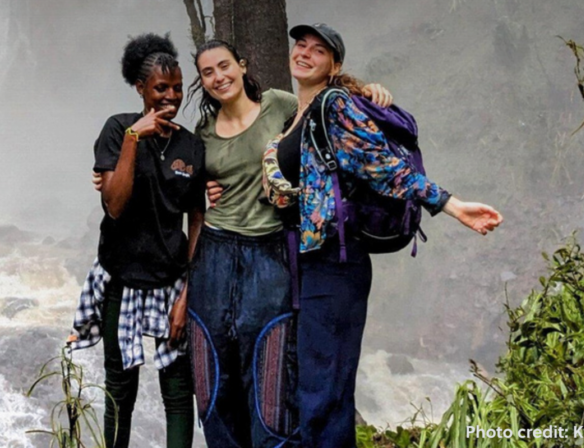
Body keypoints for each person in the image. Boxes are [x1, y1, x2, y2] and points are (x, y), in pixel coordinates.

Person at [93, 39, 392, 448]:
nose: (218, 77)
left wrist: (366, 90)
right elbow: (161, 198)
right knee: (208, 375)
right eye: (207, 73)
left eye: (224, 66)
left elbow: (323, 103)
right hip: (207, 256)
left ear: (242, 65)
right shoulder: (198, 132)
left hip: (266, 253)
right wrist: (124, 153)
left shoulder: (278, 105)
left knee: (264, 372)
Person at [262, 23, 503, 447]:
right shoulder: (292, 118)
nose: (304, 53)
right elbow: (287, 193)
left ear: (334, 65)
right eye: (300, 45)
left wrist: (449, 204)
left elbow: (382, 166)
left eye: (318, 50)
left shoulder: (333, 105)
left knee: (325, 391)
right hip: (306, 262)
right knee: (314, 386)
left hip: (336, 265)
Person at [70, 33, 203, 448]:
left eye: (178, 88)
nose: (171, 96)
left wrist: (187, 292)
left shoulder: (191, 145)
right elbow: (114, 204)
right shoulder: (116, 129)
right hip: (121, 279)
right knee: (119, 390)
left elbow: (197, 217)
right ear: (140, 88)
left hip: (170, 280)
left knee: (178, 393)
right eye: (161, 88)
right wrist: (133, 137)